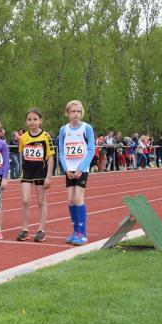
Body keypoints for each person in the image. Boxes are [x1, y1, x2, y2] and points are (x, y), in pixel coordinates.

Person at [59, 100, 95, 245]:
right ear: (68, 113)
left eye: (78, 111)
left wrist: (81, 168)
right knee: (70, 200)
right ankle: (75, 231)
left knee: (79, 198)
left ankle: (82, 233)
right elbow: (61, 151)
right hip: (69, 169)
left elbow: (91, 150)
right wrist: (65, 169)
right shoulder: (63, 129)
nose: (76, 114)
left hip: (82, 169)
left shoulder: (87, 128)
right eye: (73, 111)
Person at [16, 108, 54, 242]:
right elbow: (22, 155)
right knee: (25, 200)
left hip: (40, 172)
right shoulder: (23, 137)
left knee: (41, 201)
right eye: (29, 119)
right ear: (26, 121)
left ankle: (41, 230)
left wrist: (48, 176)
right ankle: (25, 229)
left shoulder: (46, 136)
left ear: (40, 121)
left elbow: (50, 157)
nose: (32, 122)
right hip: (27, 171)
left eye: (35, 119)